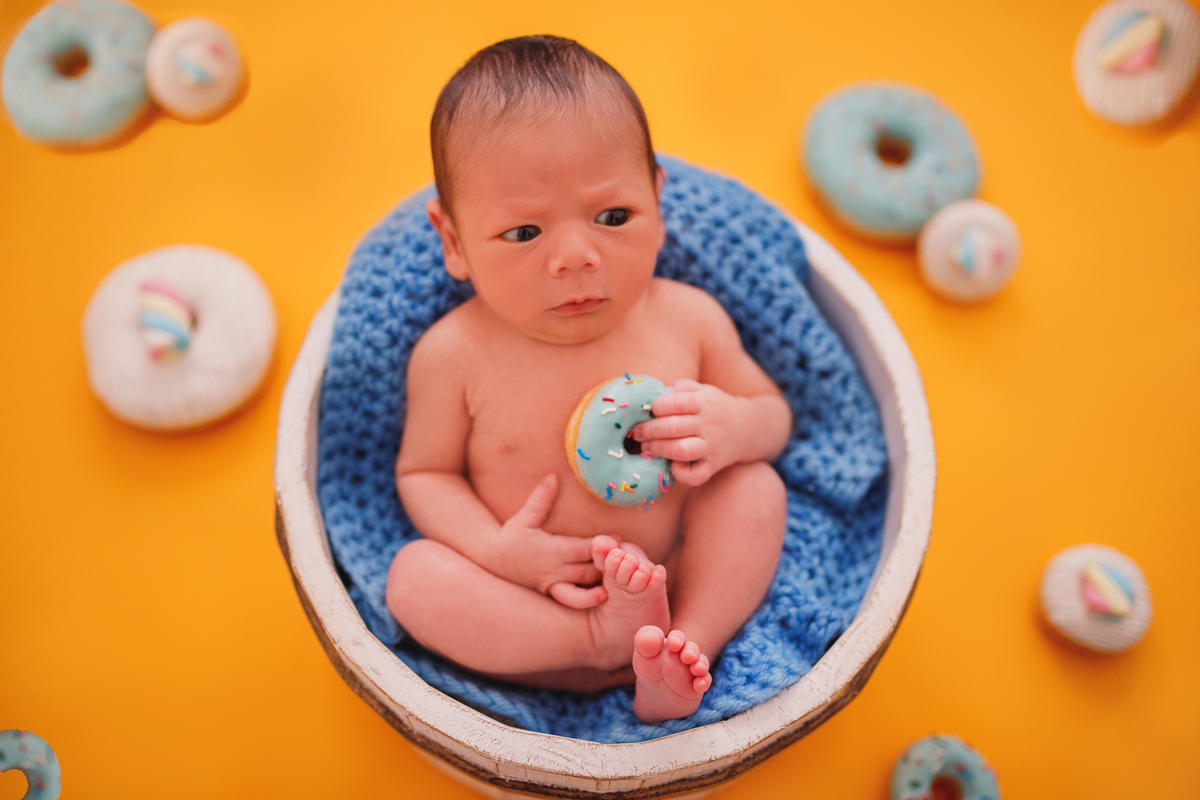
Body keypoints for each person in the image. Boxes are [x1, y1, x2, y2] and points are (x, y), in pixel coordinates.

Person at [386, 35, 790, 723]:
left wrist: (733, 427)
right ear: (452, 240)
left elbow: (772, 415)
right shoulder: (452, 354)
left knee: (755, 487)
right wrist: (498, 551)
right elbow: (424, 475)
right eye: (522, 233)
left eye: (612, 217)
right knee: (412, 580)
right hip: (528, 608)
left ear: (658, 200)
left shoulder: (688, 318)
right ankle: (599, 641)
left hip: (673, 576)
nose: (576, 257)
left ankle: (684, 647)